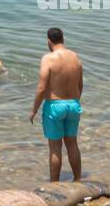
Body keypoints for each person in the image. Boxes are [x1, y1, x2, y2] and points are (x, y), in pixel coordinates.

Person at [29, 28, 83, 181]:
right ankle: (78, 179)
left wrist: (34, 110)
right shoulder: (75, 56)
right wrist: (74, 102)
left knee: (55, 147)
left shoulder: (48, 59)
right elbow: (80, 85)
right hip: (73, 104)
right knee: (72, 143)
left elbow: (41, 88)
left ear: (48, 41)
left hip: (54, 105)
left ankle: (54, 184)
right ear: (63, 39)